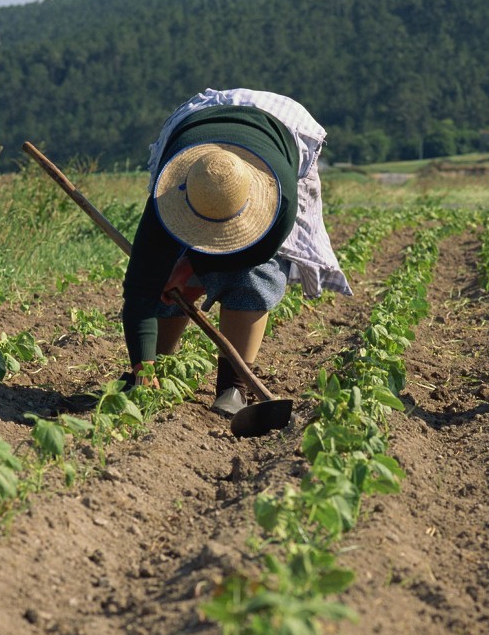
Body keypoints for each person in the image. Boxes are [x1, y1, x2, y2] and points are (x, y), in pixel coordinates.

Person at [121, 88, 352, 416]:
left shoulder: (279, 199)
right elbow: (140, 290)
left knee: (256, 274)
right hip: (195, 133)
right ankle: (157, 367)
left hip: (280, 129)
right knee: (165, 270)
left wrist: (193, 271)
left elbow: (254, 254)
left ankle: (234, 386)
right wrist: (141, 368)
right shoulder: (168, 195)